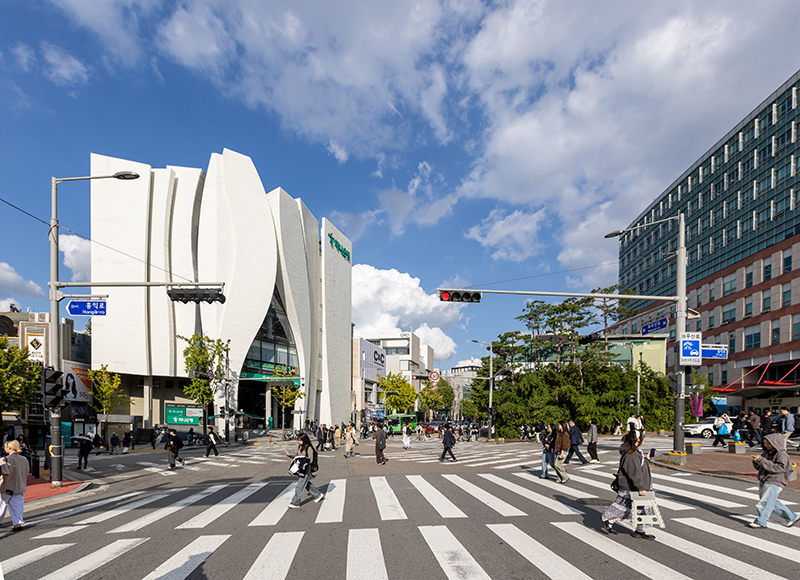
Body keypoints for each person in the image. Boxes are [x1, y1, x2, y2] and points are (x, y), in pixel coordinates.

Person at [601, 429, 656, 540]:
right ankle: (608, 517)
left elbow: (637, 467)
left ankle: (639, 530)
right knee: (625, 507)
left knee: (639, 509)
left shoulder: (635, 452)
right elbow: (634, 473)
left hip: (635, 486)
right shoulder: (632, 454)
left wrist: (646, 459)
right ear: (638, 440)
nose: (644, 441)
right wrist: (640, 487)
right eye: (643, 438)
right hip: (632, 487)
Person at [749, 433, 800, 528]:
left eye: (769, 443)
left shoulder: (782, 454)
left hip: (775, 481)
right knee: (771, 502)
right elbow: (761, 467)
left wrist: (761, 460)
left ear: (776, 442)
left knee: (765, 502)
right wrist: (756, 462)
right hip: (765, 479)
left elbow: (779, 468)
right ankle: (792, 517)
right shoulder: (767, 453)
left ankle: (761, 521)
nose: (767, 445)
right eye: (765, 443)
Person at [285, 433, 324, 508]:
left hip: (306, 468)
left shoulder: (309, 448)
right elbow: (296, 455)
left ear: (304, 440)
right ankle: (318, 495)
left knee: (300, 485)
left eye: (300, 440)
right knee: (305, 483)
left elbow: (311, 460)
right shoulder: (299, 446)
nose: (299, 442)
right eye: (298, 440)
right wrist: (289, 455)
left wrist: (303, 460)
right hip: (300, 468)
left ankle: (295, 503)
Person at [0, 440, 30, 531]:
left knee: (1, 506)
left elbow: (6, 474)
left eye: (5, 447)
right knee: (17, 507)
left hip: (5, 487)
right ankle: (17, 523)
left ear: (9, 448)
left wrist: (5, 486)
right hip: (19, 487)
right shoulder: (24, 459)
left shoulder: (4, 459)